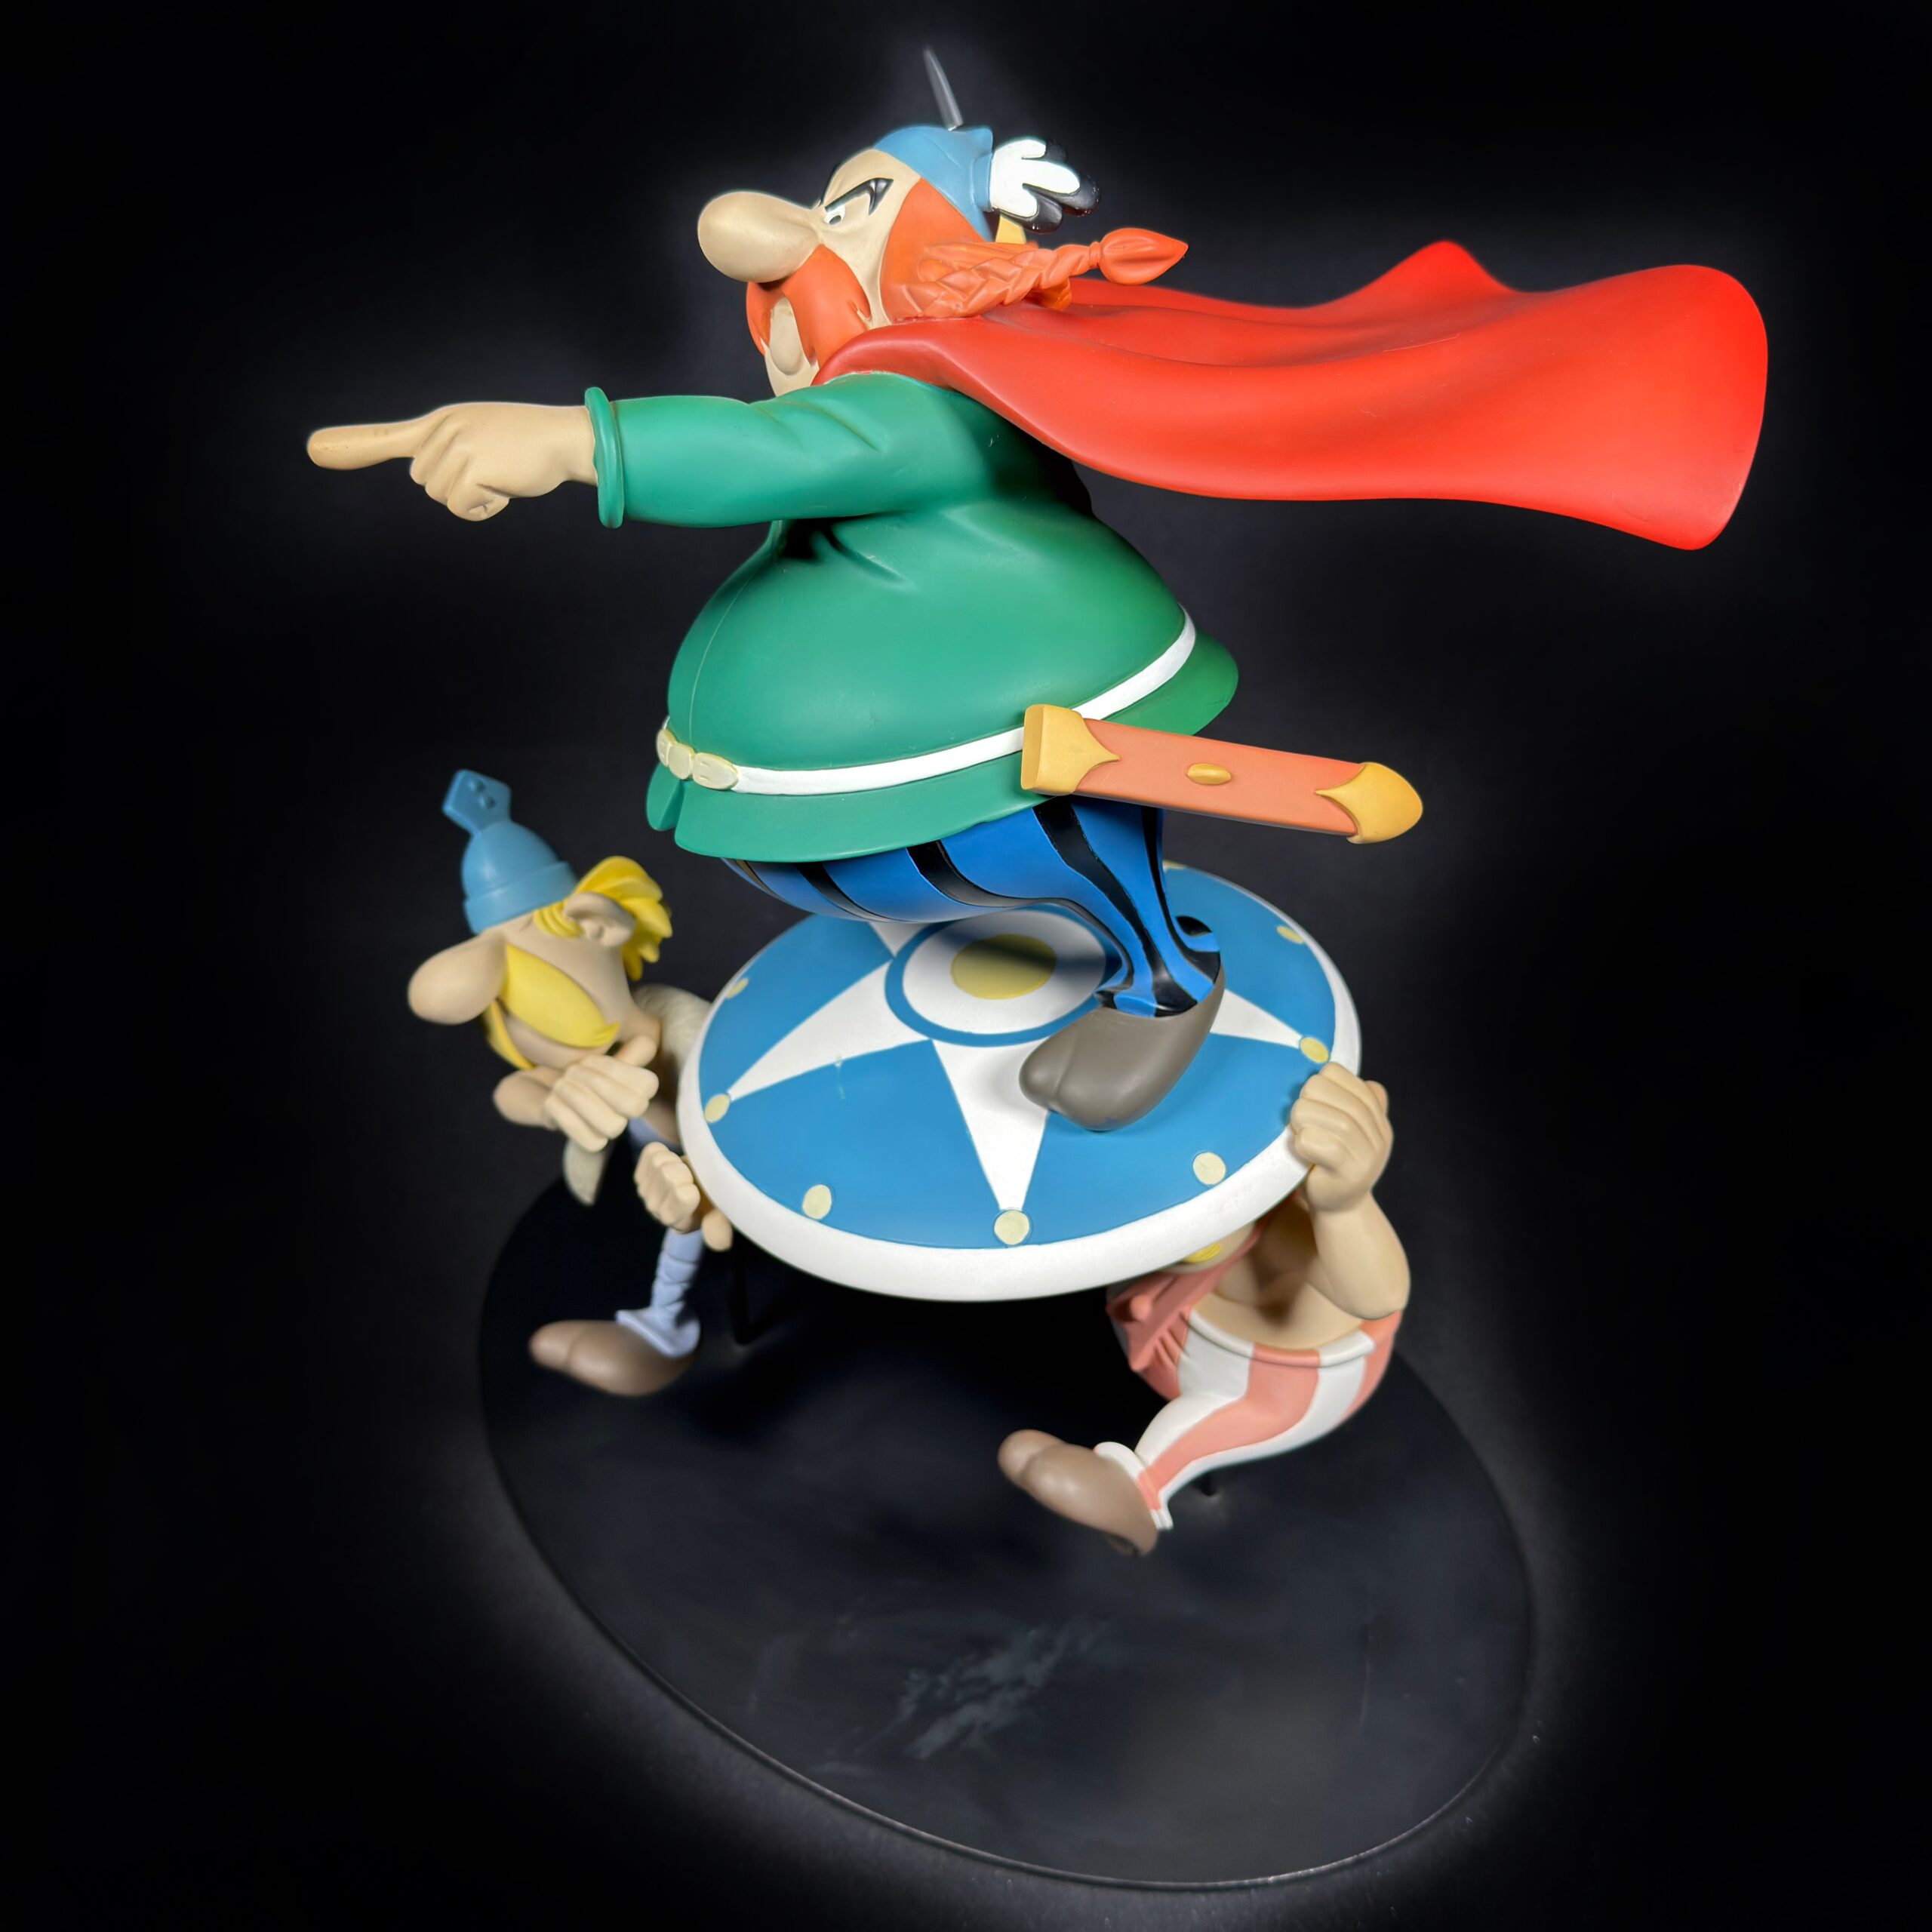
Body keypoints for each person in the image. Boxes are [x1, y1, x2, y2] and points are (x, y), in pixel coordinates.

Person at [311, 57, 1763, 1131]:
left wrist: (580, 441)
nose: (777, 250)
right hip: (904, 719)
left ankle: (1163, 978)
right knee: (918, 853)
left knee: (1040, 830)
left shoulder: (917, 409)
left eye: (848, 216)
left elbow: (772, 450)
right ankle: (1013, 938)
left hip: (1013, 698)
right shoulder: (894, 395)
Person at [1000, 1065, 1407, 1554]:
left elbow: (1380, 1295)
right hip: (1159, 1318)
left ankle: (1139, 1489)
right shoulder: (1162, 1192)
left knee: (1213, 1423)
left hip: (1264, 1386)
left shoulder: (1286, 1236)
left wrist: (1345, 1206)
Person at [408, 771, 724, 1395]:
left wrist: (703, 1191)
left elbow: (719, 1097)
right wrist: (554, 1102)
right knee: (659, 1203)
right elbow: (514, 1093)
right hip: (644, 1163)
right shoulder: (581, 1067)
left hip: (706, 1152)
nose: (535, 1041)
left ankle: (662, 1330)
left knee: (689, 1216)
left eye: (537, 1011)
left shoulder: (678, 1025)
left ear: (598, 926)